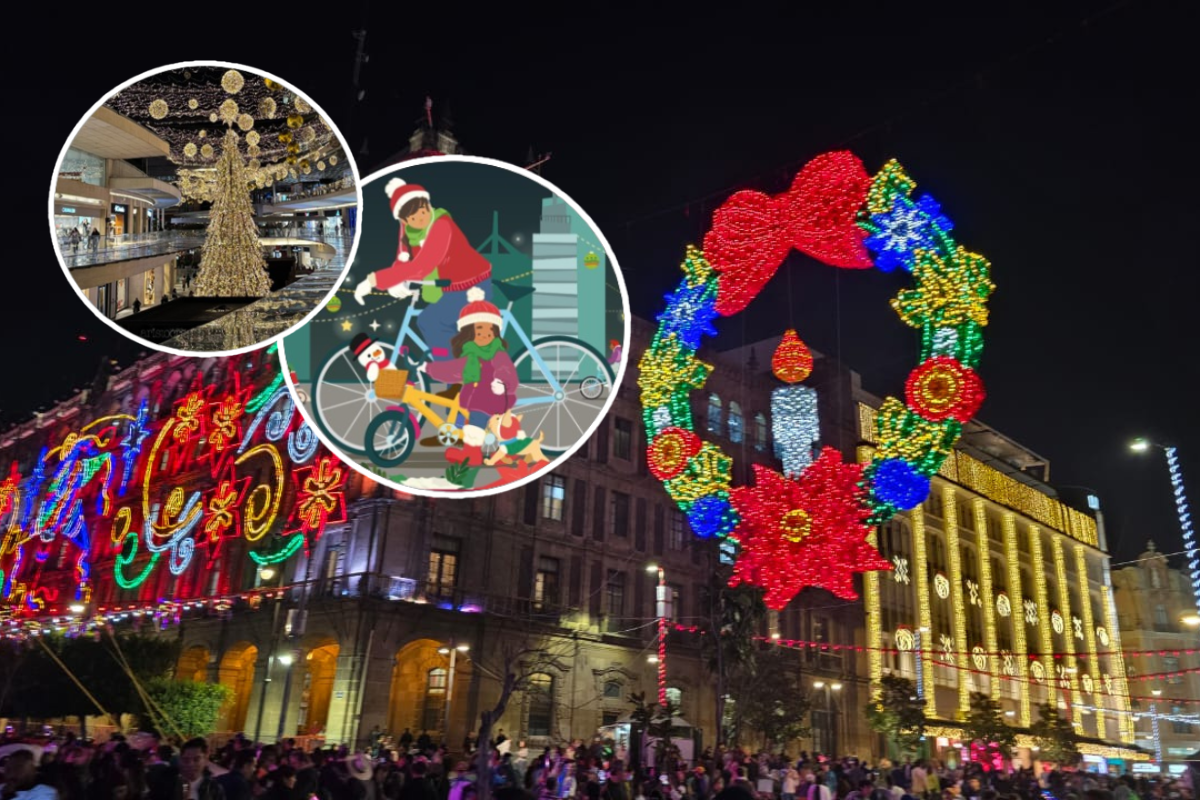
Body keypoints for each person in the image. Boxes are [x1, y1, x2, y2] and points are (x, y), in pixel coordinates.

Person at [352, 179, 493, 362]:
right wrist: (395, 279)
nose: (422, 218)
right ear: (404, 220)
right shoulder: (409, 231)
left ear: (428, 204)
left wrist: (374, 280)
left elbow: (422, 266)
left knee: (431, 322)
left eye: (424, 210)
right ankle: (464, 369)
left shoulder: (442, 224)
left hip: (473, 286)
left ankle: (456, 381)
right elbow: (404, 258)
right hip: (452, 288)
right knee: (437, 323)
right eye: (413, 217)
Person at [422, 291, 518, 454]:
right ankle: (463, 443)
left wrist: (503, 384)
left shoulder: (497, 354)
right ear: (469, 333)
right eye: (479, 329)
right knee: (465, 414)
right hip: (472, 398)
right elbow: (453, 369)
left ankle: (470, 454)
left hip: (490, 398)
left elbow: (507, 371)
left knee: (476, 424)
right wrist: (428, 368)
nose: (485, 334)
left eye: (490, 329)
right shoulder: (471, 355)